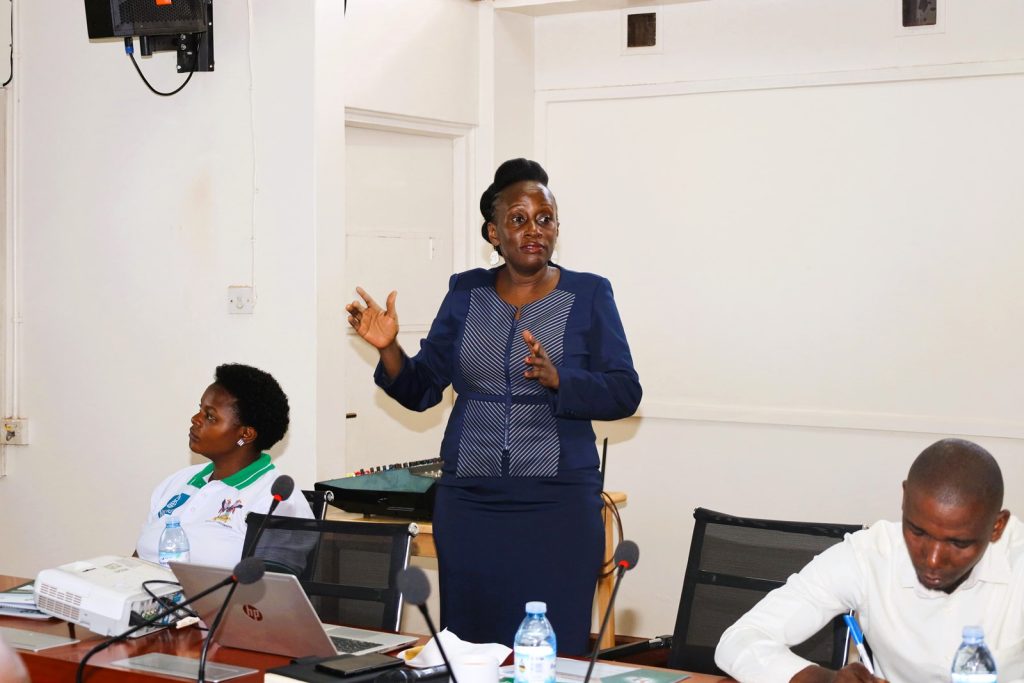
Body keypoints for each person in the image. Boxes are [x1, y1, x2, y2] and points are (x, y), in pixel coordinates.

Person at [345, 158, 642, 654]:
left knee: (551, 646)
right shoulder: (466, 292)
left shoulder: (588, 293)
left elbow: (624, 391)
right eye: (519, 218)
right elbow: (421, 391)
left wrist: (560, 378)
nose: (534, 230)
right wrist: (389, 349)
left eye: (545, 219)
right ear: (494, 231)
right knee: (470, 643)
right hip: (470, 500)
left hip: (558, 501)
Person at [715, 438, 1023, 683]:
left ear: (997, 526)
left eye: (958, 543)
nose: (932, 560)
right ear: (904, 498)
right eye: (917, 531)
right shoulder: (869, 555)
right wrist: (823, 680)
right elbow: (738, 641)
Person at [136, 363, 313, 568]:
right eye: (200, 409)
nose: (195, 419)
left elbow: (272, 591)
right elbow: (136, 561)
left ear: (245, 434)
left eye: (210, 416)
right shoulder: (177, 482)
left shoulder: (277, 501)